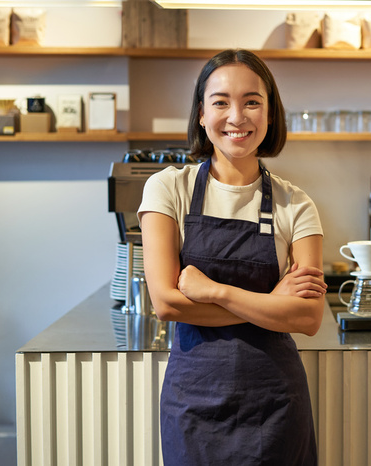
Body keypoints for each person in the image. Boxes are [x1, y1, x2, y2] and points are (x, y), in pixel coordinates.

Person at [138, 48, 326, 465]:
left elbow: (309, 318)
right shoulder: (168, 189)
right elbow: (167, 304)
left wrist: (213, 291)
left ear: (270, 114)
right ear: (201, 114)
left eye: (252, 102)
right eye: (220, 102)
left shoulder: (296, 204)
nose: (237, 117)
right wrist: (273, 301)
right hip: (193, 404)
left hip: (275, 405)